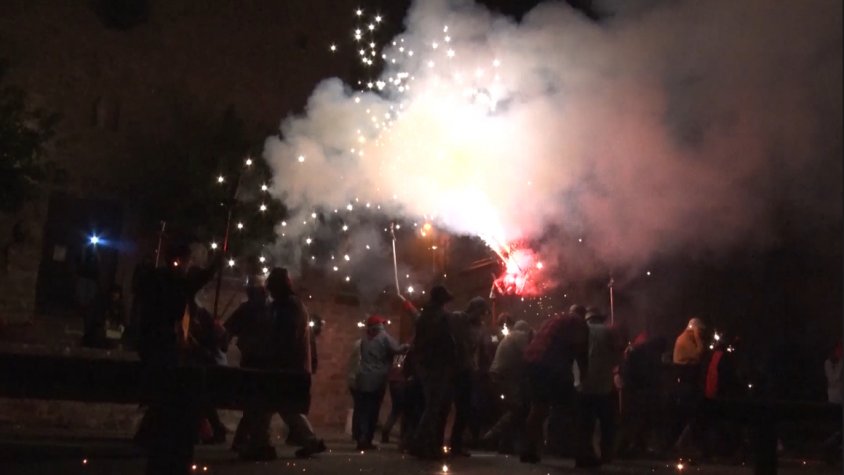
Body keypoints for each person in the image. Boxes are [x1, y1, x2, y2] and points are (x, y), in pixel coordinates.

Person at [239, 268, 326, 460]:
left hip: (286, 367)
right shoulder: (287, 305)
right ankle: (308, 442)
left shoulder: (289, 306)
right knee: (283, 407)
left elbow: (284, 338)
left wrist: (267, 355)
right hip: (287, 366)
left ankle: (261, 445)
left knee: (267, 405)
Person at [520, 305, 590, 464]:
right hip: (553, 365)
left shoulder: (554, 319)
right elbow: (581, 352)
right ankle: (582, 455)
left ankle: (528, 450)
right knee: (575, 410)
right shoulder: (578, 323)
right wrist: (584, 377)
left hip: (532, 363)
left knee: (538, 408)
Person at [410, 285, 458, 460]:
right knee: (433, 407)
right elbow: (447, 342)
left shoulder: (425, 315)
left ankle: (422, 443)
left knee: (431, 406)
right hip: (436, 365)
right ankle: (421, 443)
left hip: (425, 364)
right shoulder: (440, 317)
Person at [575, 309, 625, 468]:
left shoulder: (581, 331)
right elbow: (617, 357)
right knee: (606, 421)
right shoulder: (609, 331)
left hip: (583, 383)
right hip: (603, 384)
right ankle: (606, 454)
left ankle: (583, 455)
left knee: (585, 423)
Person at [354, 315, 409, 451]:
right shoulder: (383, 337)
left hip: (362, 377)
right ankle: (367, 439)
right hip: (377, 378)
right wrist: (408, 346)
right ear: (380, 325)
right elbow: (397, 349)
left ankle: (360, 437)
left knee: (362, 410)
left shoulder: (364, 338)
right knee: (373, 410)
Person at [483, 320, 534, 453]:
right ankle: (491, 436)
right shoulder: (520, 336)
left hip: (498, 375)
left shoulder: (510, 336)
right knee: (517, 409)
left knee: (510, 409)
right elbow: (528, 354)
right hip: (505, 377)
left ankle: (504, 444)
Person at [447, 296, 490, 456]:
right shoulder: (458, 318)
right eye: (481, 312)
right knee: (444, 407)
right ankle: (435, 441)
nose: (482, 316)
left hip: (467, 370)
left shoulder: (480, 328)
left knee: (463, 408)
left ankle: (456, 444)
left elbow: (483, 350)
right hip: (451, 368)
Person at [618, 332, 668, 458]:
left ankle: (631, 447)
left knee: (635, 420)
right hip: (640, 390)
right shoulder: (649, 354)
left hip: (634, 389)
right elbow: (650, 374)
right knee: (638, 420)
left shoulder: (640, 351)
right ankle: (627, 448)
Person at [670, 317, 708, 455]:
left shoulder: (684, 338)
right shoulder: (686, 340)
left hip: (686, 383)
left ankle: (683, 443)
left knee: (690, 415)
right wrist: (698, 338)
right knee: (693, 414)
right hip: (686, 384)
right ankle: (682, 444)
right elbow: (699, 353)